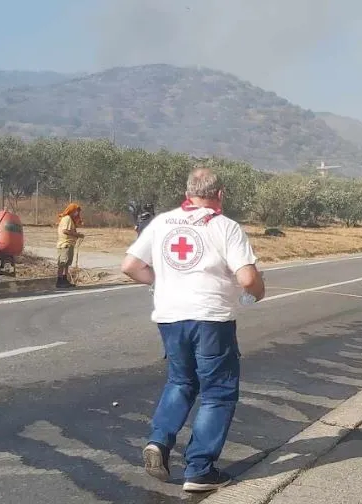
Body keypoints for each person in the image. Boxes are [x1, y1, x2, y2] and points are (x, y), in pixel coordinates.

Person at [121, 165, 266, 492]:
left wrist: (161, 282)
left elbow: (129, 265)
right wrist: (256, 293)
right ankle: (199, 469)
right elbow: (247, 279)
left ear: (187, 193)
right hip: (211, 318)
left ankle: (159, 441)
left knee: (181, 380)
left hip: (171, 317)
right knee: (218, 392)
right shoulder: (225, 227)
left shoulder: (162, 222)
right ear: (220, 195)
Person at [56, 203, 84, 288]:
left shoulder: (70, 219)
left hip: (68, 244)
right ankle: (59, 280)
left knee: (66, 263)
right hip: (65, 244)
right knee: (62, 263)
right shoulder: (67, 218)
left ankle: (65, 280)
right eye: (76, 211)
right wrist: (76, 235)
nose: (77, 213)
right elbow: (65, 231)